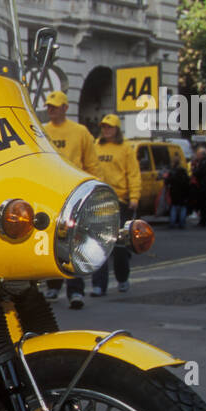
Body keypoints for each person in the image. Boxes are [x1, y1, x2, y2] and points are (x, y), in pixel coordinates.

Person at [41, 89, 100, 308]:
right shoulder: (42, 131)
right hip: (49, 193)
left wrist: (94, 191)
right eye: (48, 106)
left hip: (74, 194)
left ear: (66, 108)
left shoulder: (80, 131)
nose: (51, 110)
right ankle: (53, 286)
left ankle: (76, 291)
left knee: (74, 242)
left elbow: (91, 163)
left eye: (55, 107)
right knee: (51, 241)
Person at [90, 114, 140, 295]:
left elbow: (133, 174)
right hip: (99, 200)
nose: (106, 130)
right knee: (98, 244)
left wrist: (134, 196)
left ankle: (122, 278)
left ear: (117, 129)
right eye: (104, 126)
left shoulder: (125, 149)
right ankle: (98, 285)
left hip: (120, 200)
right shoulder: (96, 146)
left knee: (118, 245)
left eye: (110, 127)